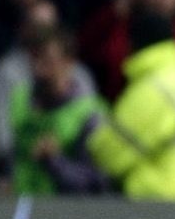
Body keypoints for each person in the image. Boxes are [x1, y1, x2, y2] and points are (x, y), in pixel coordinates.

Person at [87, 10, 175, 201]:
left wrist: (92, 134)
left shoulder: (153, 91)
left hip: (154, 203)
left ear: (134, 43)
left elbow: (109, 155)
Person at [7, 25, 108, 195]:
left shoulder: (90, 114)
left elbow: (95, 182)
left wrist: (55, 162)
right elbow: (15, 158)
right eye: (34, 58)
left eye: (47, 60)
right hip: (22, 205)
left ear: (69, 62)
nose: (38, 69)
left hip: (65, 209)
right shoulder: (20, 99)